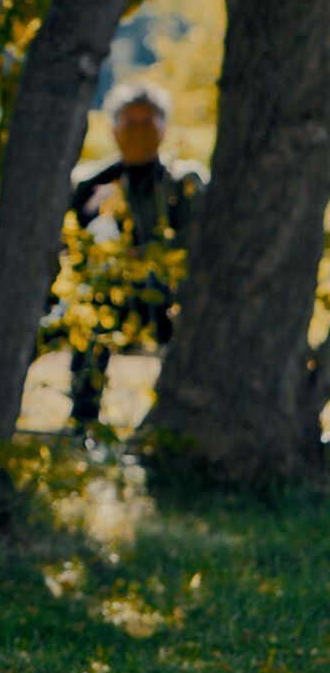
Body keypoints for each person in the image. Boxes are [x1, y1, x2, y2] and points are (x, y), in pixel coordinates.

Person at [59, 81, 204, 428]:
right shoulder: (91, 182)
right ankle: (84, 419)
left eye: (147, 122)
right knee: (91, 312)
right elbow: (71, 246)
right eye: (130, 122)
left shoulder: (182, 183)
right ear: (113, 128)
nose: (138, 131)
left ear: (164, 128)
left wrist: (149, 257)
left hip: (168, 297)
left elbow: (194, 243)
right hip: (109, 295)